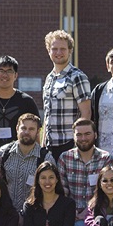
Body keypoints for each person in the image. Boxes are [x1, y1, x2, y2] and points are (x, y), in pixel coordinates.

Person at [54, 118, 112, 226]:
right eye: (79, 135)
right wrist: (72, 213)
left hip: (97, 214)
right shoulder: (65, 158)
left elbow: (107, 192)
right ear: (73, 136)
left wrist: (86, 212)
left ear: (95, 135)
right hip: (71, 214)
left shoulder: (105, 158)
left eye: (87, 134)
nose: (83, 138)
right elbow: (61, 191)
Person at [41, 30, 94, 164]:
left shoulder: (77, 77)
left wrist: (79, 144)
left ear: (70, 51)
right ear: (49, 51)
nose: (59, 52)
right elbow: (47, 116)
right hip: (50, 146)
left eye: (63, 49)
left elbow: (86, 112)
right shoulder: (49, 78)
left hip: (69, 144)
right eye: (54, 49)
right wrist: (42, 144)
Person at [0, 114, 46, 208]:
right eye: (23, 128)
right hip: (5, 213)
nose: (26, 132)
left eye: (31, 129)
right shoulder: (2, 154)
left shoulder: (45, 158)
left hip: (32, 214)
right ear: (17, 128)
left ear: (38, 131)